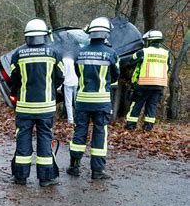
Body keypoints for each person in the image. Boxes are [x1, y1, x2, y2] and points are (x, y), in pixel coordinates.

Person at [10, 18, 64, 187]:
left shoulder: (18, 54)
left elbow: (14, 80)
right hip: (46, 107)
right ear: (44, 35)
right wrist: (49, 89)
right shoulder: (53, 53)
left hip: (25, 107)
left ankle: (20, 177)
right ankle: (46, 178)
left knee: (23, 139)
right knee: (45, 139)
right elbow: (60, 77)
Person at [67, 17, 120, 180]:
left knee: (79, 132)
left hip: (83, 100)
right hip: (102, 102)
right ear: (106, 34)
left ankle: (74, 166)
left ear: (90, 34)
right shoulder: (111, 53)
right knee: (99, 133)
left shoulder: (80, 53)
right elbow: (116, 75)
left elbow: (77, 72)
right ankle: (97, 171)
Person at [125, 30, 171, 132]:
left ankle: (131, 126)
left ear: (149, 41)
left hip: (143, 84)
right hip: (159, 85)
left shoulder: (144, 52)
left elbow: (130, 61)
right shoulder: (166, 53)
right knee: (152, 106)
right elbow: (168, 68)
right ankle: (148, 128)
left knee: (136, 105)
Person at [63, 56, 78, 124]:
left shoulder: (63, 60)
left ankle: (70, 120)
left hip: (67, 82)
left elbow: (62, 74)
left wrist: (59, 87)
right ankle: (78, 117)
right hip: (76, 81)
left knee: (68, 102)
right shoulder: (74, 58)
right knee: (76, 101)